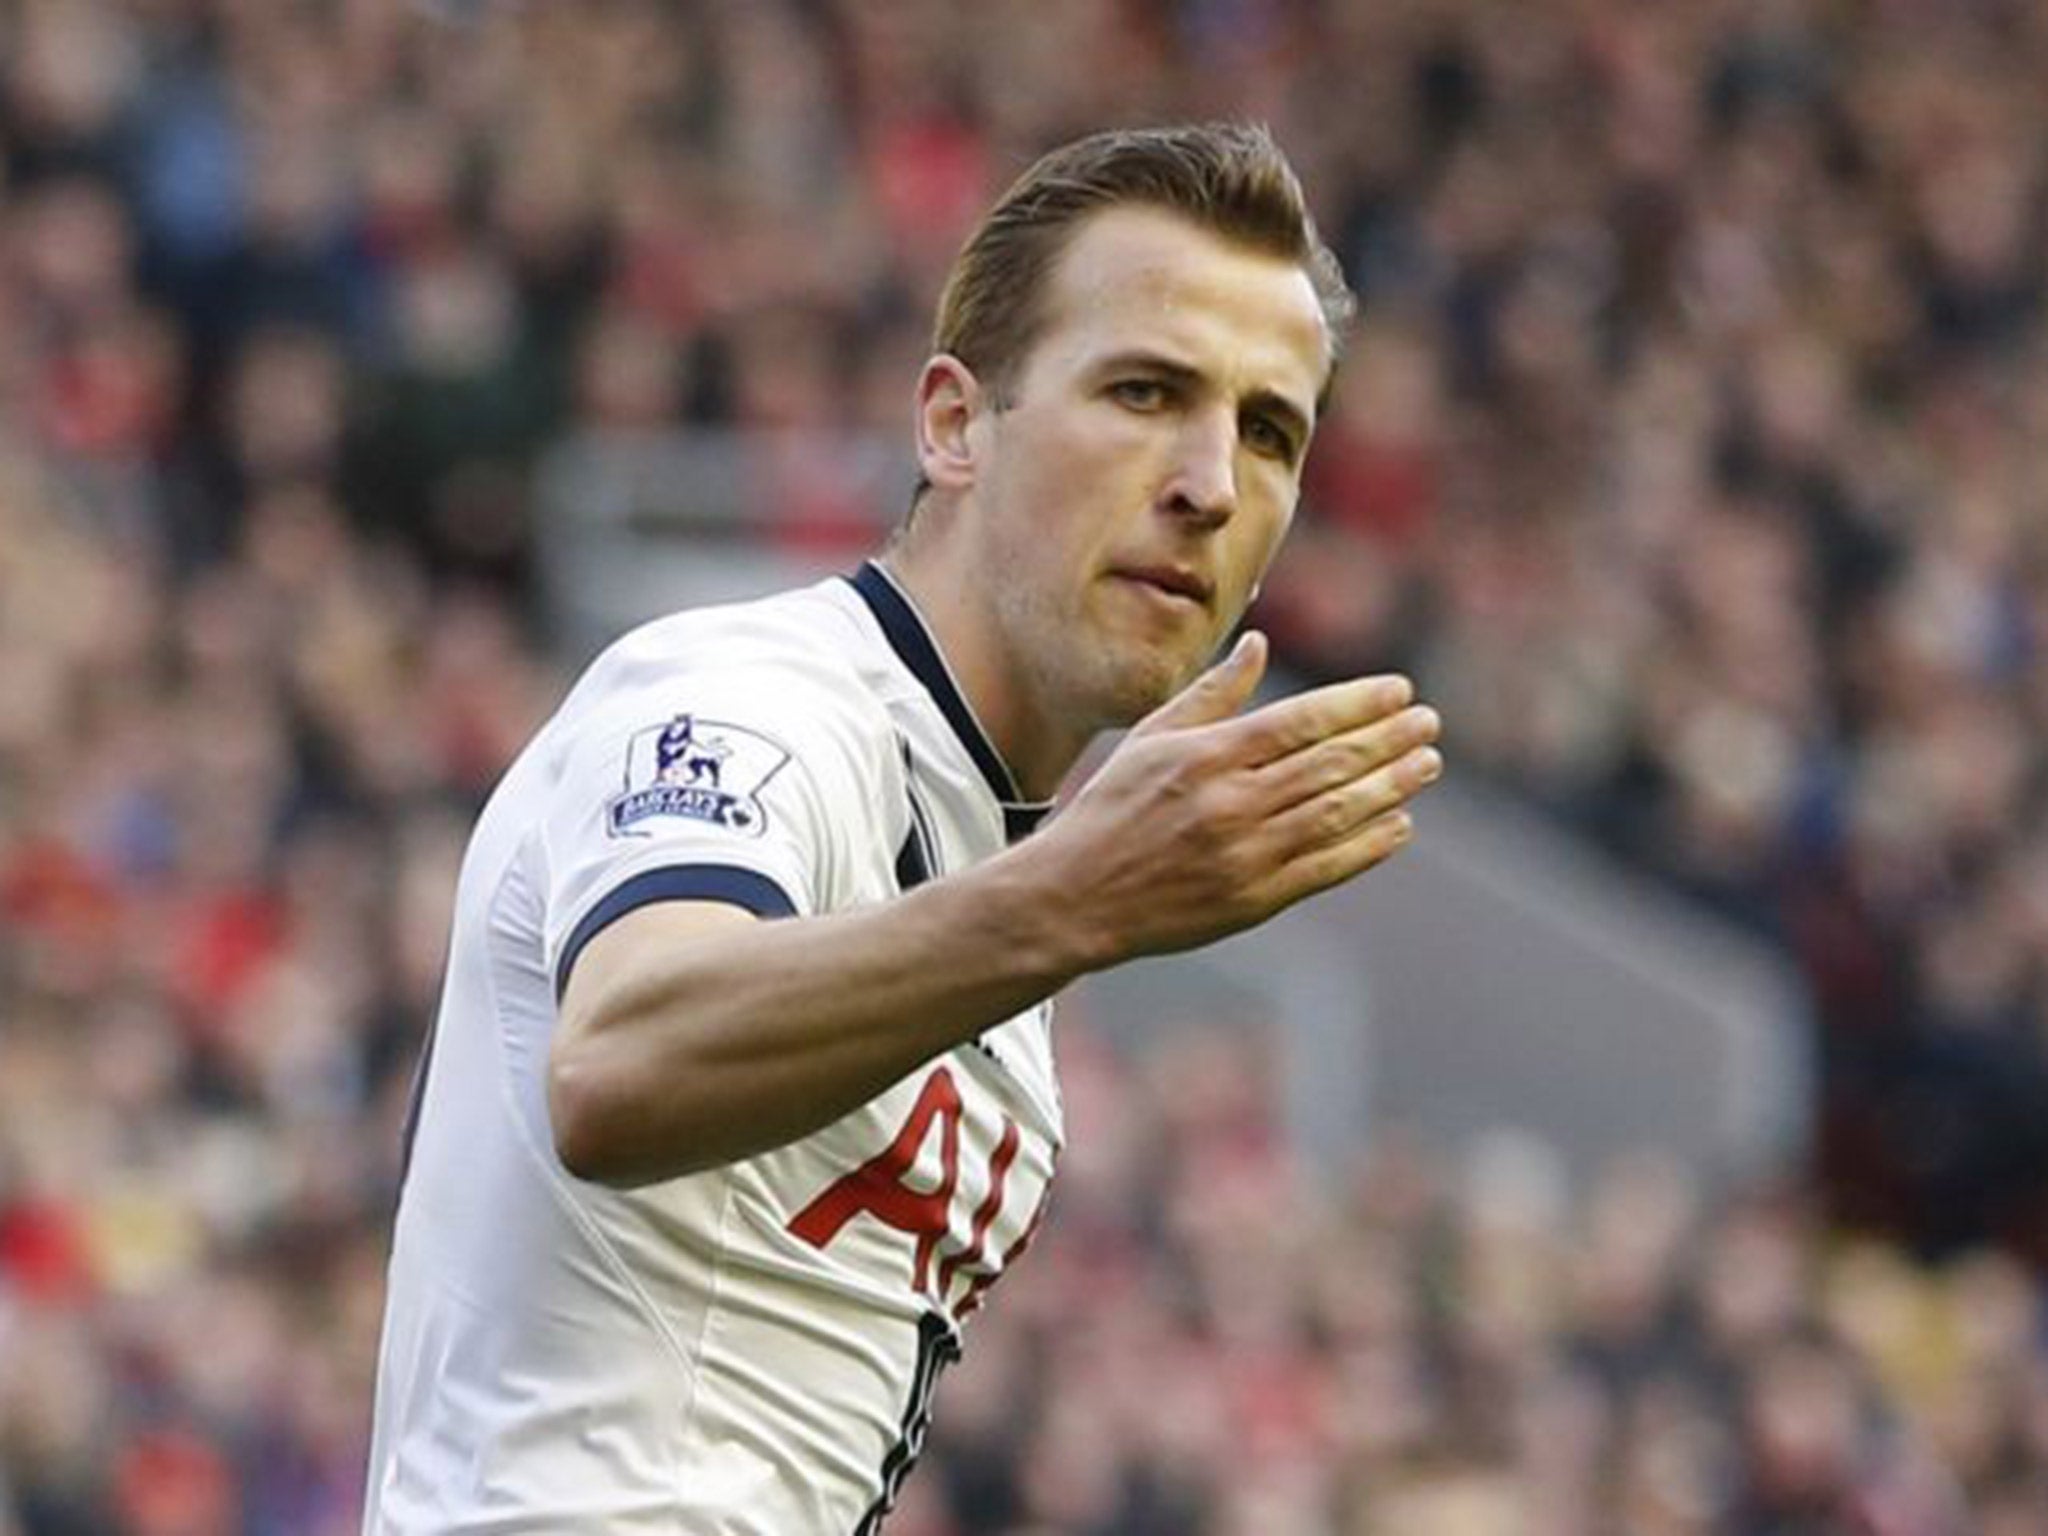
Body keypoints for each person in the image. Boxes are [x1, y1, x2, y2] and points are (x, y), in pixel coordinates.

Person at [361, 122, 1444, 1534]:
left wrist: (1055, 903)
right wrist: (1074, 903)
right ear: (953, 425)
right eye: (1143, 390)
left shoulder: (998, 889)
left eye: (1267, 431)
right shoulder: (755, 697)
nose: (1211, 485)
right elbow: (620, 1063)